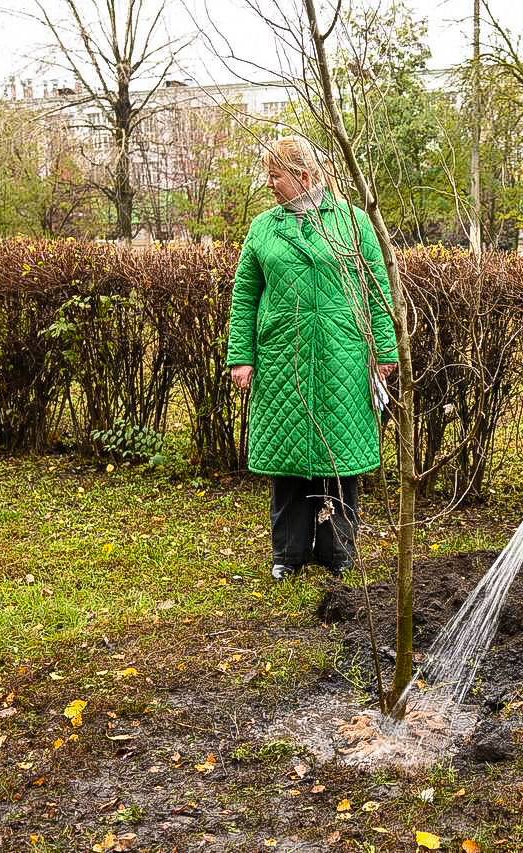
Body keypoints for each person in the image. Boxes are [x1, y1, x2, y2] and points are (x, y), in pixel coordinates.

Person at [226, 136, 398, 582]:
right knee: (287, 460)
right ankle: (289, 553)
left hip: (342, 353)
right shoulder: (263, 227)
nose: (269, 183)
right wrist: (241, 355)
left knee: (341, 456)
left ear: (302, 176)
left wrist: (384, 349)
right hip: (282, 354)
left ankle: (338, 550)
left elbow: (378, 288)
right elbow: (245, 294)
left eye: (275, 175)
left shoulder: (353, 221)